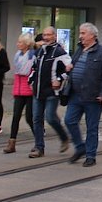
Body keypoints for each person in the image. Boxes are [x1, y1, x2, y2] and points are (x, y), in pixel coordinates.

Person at [64, 23, 102, 167]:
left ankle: (90, 155)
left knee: (92, 127)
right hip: (75, 94)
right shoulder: (79, 50)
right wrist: (69, 69)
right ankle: (80, 147)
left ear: (92, 35)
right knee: (69, 120)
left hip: (92, 95)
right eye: (80, 33)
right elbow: (73, 66)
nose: (80, 36)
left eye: (83, 33)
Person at [28, 27, 70, 158]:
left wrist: (59, 79)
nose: (45, 37)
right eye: (44, 35)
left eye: (48, 35)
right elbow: (34, 68)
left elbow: (69, 68)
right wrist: (31, 81)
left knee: (50, 117)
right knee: (36, 119)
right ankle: (39, 147)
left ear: (54, 36)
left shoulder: (59, 52)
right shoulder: (39, 51)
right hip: (38, 90)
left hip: (52, 91)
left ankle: (64, 137)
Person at [3, 33, 36, 154]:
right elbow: (17, 70)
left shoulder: (32, 56)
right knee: (15, 116)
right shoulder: (18, 55)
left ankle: (38, 141)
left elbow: (24, 70)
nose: (18, 44)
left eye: (20, 42)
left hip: (29, 90)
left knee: (29, 118)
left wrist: (20, 71)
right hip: (19, 89)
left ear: (27, 44)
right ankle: (12, 143)